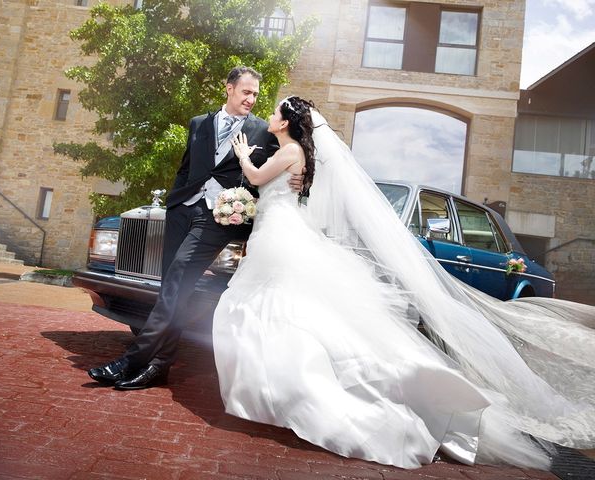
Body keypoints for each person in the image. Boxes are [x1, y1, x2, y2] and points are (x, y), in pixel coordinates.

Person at [213, 96, 595, 469]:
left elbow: (258, 177)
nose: (270, 114)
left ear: (287, 122)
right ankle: (277, 388)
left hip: (281, 235)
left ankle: (290, 391)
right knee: (285, 312)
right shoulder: (298, 152)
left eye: (276, 111)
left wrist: (245, 155)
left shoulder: (292, 150)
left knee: (282, 309)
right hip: (278, 230)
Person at [87, 66, 280, 390]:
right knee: (172, 290)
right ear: (229, 88)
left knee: (177, 282)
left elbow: (272, 176)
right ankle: (159, 366)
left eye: (256, 94)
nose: (251, 99)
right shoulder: (199, 124)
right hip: (182, 212)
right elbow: (187, 169)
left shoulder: (262, 131)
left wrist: (245, 208)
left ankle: (130, 360)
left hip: (218, 218)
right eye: (246, 91)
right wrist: (176, 203)